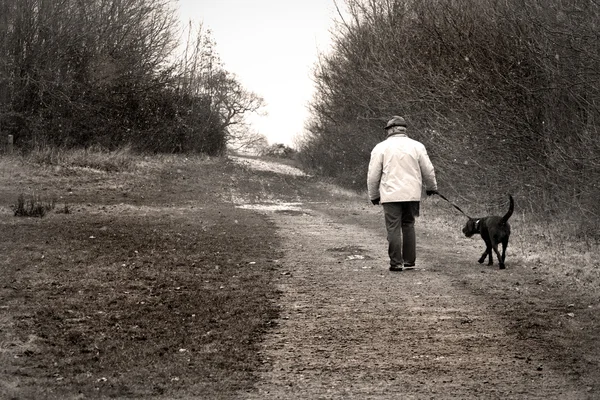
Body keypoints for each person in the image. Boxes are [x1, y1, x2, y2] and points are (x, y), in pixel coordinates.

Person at [367, 116, 438, 271]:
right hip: (411, 194)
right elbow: (428, 169)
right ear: (404, 129)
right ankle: (409, 261)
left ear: (392, 129)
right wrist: (431, 187)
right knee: (408, 225)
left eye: (388, 129)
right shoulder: (417, 146)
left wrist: (373, 195)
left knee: (393, 227)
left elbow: (373, 175)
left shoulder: (380, 148)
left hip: (390, 195)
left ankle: (396, 262)